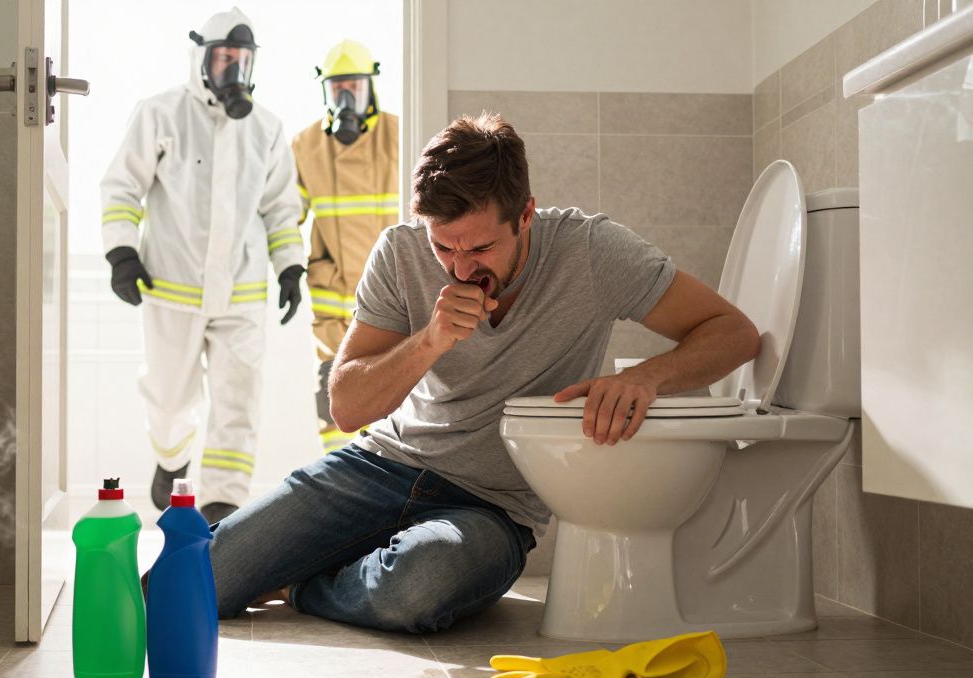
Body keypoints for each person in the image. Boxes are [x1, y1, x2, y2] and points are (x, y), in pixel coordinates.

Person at [207, 113, 762, 632]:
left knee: (421, 585)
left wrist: (646, 377)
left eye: (480, 247)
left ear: (525, 215)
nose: (461, 266)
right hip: (382, 467)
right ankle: (346, 570)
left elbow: (734, 332)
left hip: (490, 508)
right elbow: (347, 407)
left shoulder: (590, 251)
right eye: (444, 246)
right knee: (204, 579)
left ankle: (303, 586)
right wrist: (429, 340)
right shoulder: (399, 253)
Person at [100, 7, 305, 525]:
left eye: (242, 59)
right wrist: (121, 252)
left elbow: (281, 208)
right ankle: (171, 460)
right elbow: (122, 187)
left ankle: (221, 508)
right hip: (172, 287)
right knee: (169, 400)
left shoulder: (267, 129)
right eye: (223, 57)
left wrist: (289, 268)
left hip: (241, 293)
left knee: (239, 402)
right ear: (201, 57)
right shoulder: (160, 114)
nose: (233, 69)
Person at [291, 40, 399, 454]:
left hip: (392, 302)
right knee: (334, 403)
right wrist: (285, 268)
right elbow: (286, 217)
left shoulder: (398, 132)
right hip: (333, 307)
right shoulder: (305, 146)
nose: (347, 98)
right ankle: (338, 487)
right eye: (338, 89)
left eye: (355, 86)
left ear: (371, 87)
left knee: (393, 399)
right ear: (325, 92)